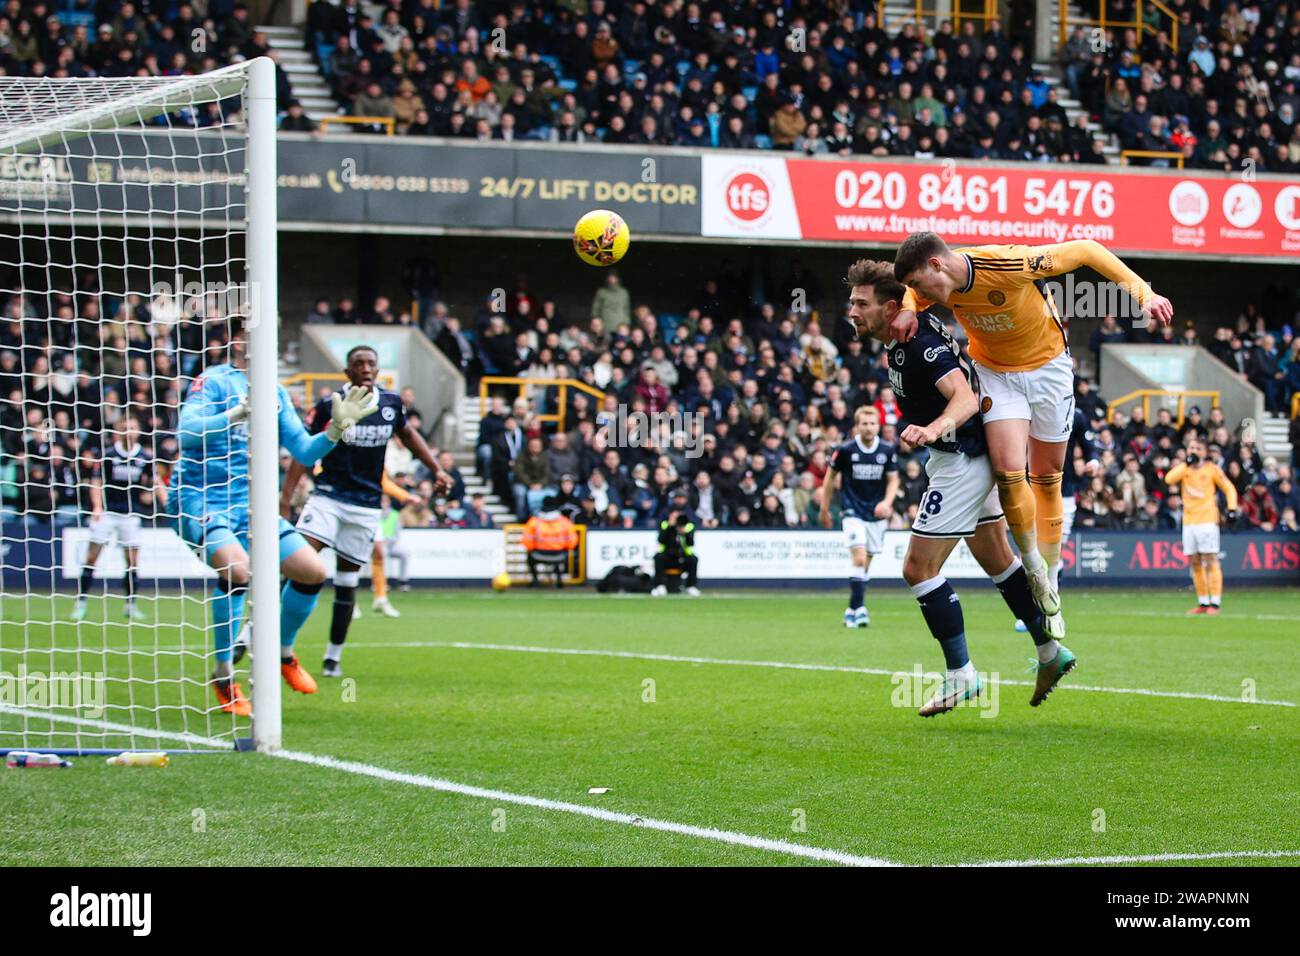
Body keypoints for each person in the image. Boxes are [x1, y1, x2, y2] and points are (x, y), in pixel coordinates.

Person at [891, 233, 1175, 627]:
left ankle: (1052, 579)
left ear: (936, 265)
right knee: (1009, 474)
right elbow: (911, 296)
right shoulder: (931, 287)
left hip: (1048, 370)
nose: (920, 296)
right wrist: (907, 306)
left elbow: (1085, 250)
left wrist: (1143, 294)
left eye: (918, 286)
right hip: (996, 374)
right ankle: (1034, 572)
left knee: (1046, 478)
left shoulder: (1008, 264)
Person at [843, 259, 1075, 715]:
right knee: (998, 560)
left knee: (918, 569)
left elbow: (965, 398)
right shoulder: (907, 325)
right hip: (970, 454)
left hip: (961, 460)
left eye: (860, 303)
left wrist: (933, 428)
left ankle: (960, 675)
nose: (851, 311)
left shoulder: (919, 345)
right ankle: (1051, 651)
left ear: (890, 307)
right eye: (851, 302)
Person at [171, 317, 379, 715]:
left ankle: (283, 654)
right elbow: (186, 431)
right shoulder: (213, 381)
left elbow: (303, 451)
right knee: (238, 571)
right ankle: (223, 674)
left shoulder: (277, 392)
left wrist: (336, 429)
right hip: (201, 500)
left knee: (312, 571)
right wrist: (234, 415)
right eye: (252, 336)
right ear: (236, 341)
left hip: (251, 505)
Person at [279, 345, 453, 677]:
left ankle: (333, 658)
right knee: (297, 563)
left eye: (371, 363)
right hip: (328, 497)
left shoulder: (389, 404)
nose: (366, 368)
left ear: (377, 370)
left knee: (347, 582)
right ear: (348, 372)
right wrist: (286, 498)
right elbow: (304, 450)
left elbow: (409, 434)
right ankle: (259, 636)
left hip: (365, 506)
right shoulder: (330, 405)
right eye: (358, 363)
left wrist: (436, 469)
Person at [72, 416, 159, 623]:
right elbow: (96, 482)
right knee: (92, 558)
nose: (129, 431)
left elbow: (154, 482)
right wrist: (97, 507)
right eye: (126, 427)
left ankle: (130, 605)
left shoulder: (145, 457)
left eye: (133, 427)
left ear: (139, 431)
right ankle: (81, 603)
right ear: (119, 431)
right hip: (108, 513)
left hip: (130, 514)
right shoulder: (109, 455)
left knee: (132, 561)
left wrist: (151, 495)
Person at [818, 405, 899, 627]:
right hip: (851, 510)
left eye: (872, 423)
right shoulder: (845, 450)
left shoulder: (887, 450)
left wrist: (887, 502)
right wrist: (824, 510)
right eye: (864, 423)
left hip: (876, 513)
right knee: (860, 558)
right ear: (857, 425)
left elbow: (893, 480)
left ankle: (852, 609)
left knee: (866, 564)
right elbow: (828, 479)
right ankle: (860, 608)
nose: (868, 427)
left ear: (878, 426)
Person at [1164, 438, 1238, 615]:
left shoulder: (1212, 470)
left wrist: (1232, 508)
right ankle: (1203, 602)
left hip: (1207, 521)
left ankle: (1216, 602)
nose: (1194, 450)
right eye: (1191, 447)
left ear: (1204, 452)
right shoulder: (1185, 470)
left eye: (1198, 448)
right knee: (1194, 562)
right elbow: (1169, 479)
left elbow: (1229, 488)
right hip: (1189, 522)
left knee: (1210, 559)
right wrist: (1185, 464)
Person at [521, 495, 578, 588]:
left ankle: (535, 580)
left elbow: (526, 540)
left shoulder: (535, 521)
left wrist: (534, 548)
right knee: (564, 557)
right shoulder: (564, 521)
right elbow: (573, 540)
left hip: (538, 554)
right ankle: (559, 579)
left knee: (529, 556)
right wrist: (564, 548)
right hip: (559, 554)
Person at [650, 510, 699, 596]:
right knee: (658, 557)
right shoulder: (665, 525)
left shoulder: (688, 526)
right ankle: (660, 585)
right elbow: (661, 540)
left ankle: (691, 586)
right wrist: (670, 526)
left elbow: (691, 543)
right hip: (668, 556)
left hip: (682, 556)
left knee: (693, 559)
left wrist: (684, 533)